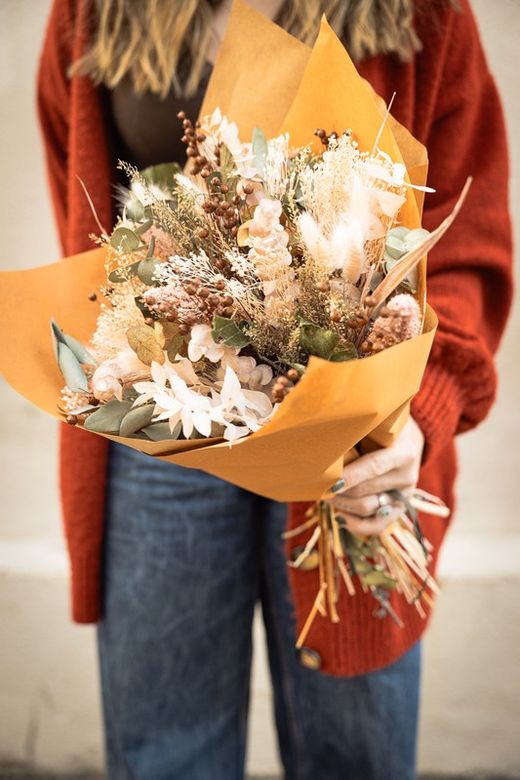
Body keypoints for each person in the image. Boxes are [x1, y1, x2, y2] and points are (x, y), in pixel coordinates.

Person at [37, 1, 512, 778]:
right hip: (160, 418)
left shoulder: (417, 12)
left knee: (354, 753)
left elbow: (468, 235)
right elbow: (87, 209)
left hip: (352, 436)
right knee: (166, 756)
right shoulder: (98, 11)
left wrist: (418, 414)